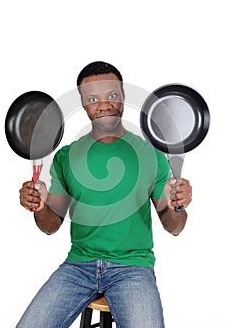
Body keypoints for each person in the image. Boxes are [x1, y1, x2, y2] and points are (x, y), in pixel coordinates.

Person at [17, 61, 192, 328]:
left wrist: (177, 206)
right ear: (83, 103)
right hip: (78, 267)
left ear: (123, 96)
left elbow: (174, 227)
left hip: (132, 269)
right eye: (92, 98)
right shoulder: (66, 157)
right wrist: (40, 207)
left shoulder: (151, 154)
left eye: (111, 96)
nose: (103, 105)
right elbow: (50, 226)